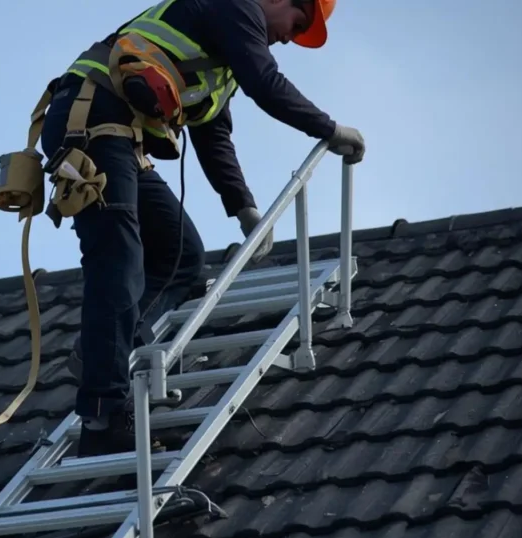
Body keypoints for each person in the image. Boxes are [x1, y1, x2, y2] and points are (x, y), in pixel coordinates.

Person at [37, 0, 365, 457]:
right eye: (298, 23)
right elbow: (265, 83)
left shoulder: (223, 58)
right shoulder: (234, 6)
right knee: (118, 256)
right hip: (92, 120)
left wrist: (243, 207)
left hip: (120, 136)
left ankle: (103, 351)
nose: (290, 38)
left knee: (181, 256)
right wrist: (327, 128)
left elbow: (213, 136)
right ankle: (103, 417)